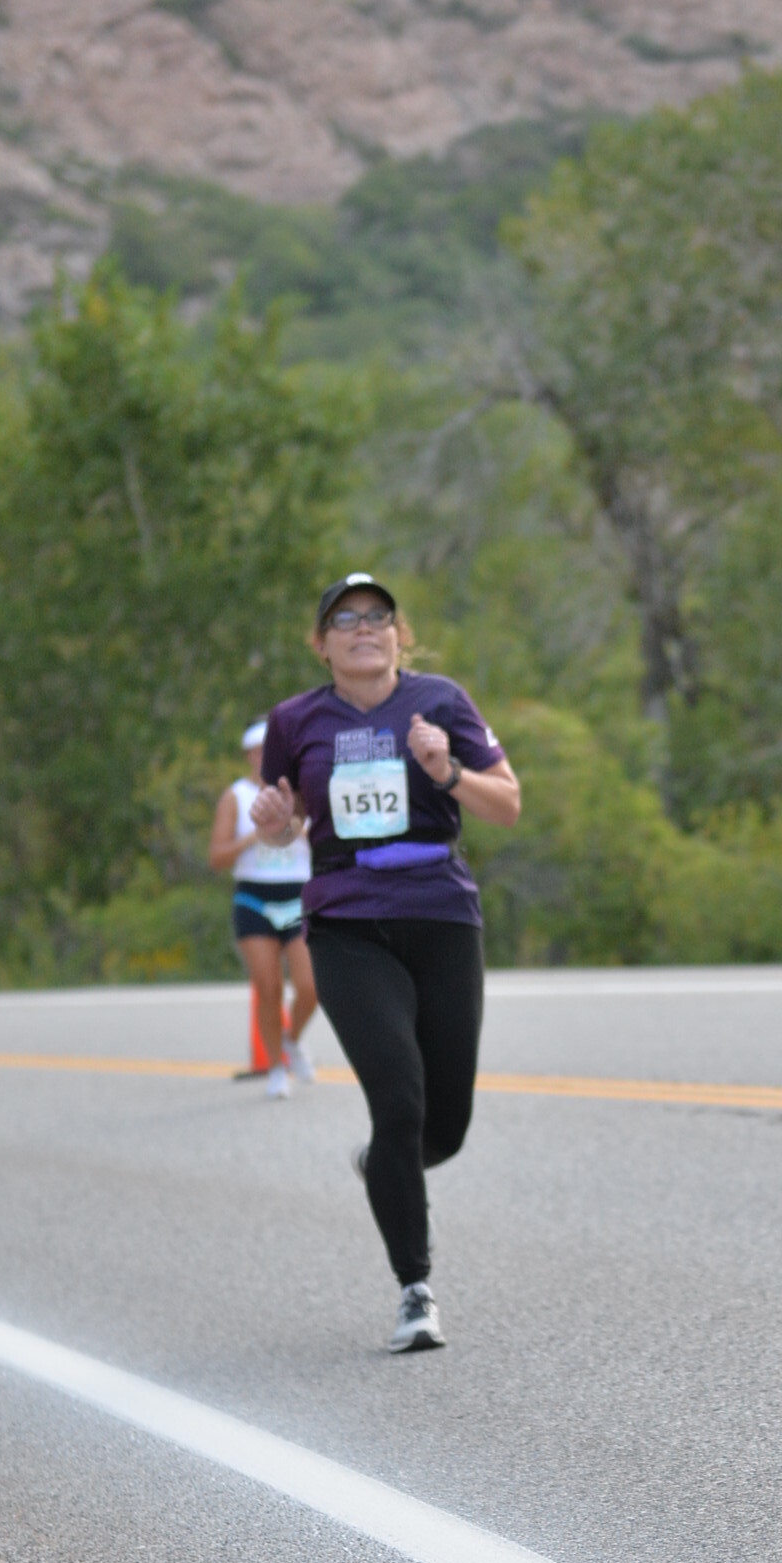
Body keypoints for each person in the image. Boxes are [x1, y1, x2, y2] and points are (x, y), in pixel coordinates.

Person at [249, 574, 521, 1352]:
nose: (363, 628)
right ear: (321, 643)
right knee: (398, 1100)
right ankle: (415, 1289)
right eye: (345, 619)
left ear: (400, 634)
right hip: (347, 923)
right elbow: (284, 825)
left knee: (445, 1125)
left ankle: (386, 1165)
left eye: (378, 617)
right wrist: (274, 824)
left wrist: (446, 772)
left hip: (440, 914)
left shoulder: (442, 702)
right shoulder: (295, 720)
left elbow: (507, 804)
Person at [208, 722, 318, 1098]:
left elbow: (331, 843)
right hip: (255, 898)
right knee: (268, 987)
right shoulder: (236, 797)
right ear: (250, 756)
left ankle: (291, 1039)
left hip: (299, 897)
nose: (266, 758)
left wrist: (294, 828)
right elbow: (217, 857)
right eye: (259, 752)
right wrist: (255, 835)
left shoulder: (304, 792)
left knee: (311, 986)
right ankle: (275, 1067)